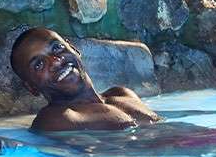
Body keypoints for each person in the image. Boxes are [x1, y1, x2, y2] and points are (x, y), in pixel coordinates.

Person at [10, 27, 162, 132]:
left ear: (74, 49)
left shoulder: (123, 94)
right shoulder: (54, 119)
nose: (55, 61)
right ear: (31, 88)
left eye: (57, 48)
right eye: (39, 64)